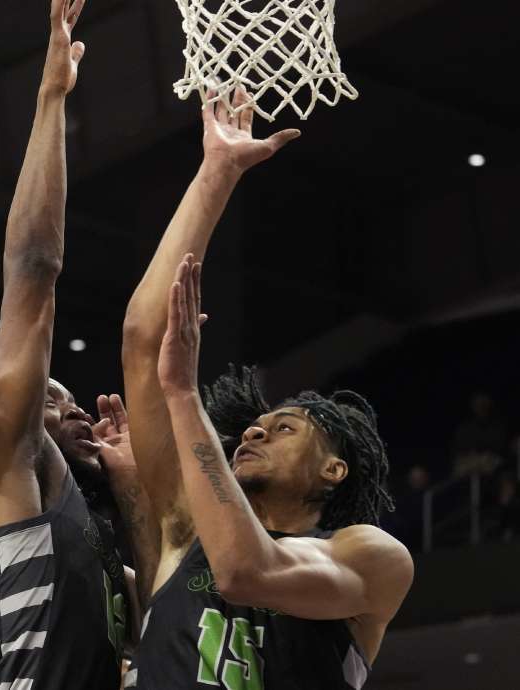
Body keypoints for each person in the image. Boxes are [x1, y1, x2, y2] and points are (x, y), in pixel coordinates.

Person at [121, 93, 413, 688]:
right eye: (259, 425)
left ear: (334, 471)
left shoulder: (370, 558)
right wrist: (217, 173)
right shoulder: (184, 526)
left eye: (285, 428)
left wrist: (183, 395)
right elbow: (143, 340)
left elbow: (245, 572)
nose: (255, 429)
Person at [0, 2, 149, 688]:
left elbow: (171, 625)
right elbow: (34, 272)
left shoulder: (98, 552)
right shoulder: (7, 462)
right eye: (50, 400)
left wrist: (130, 487)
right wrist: (50, 100)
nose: (73, 410)